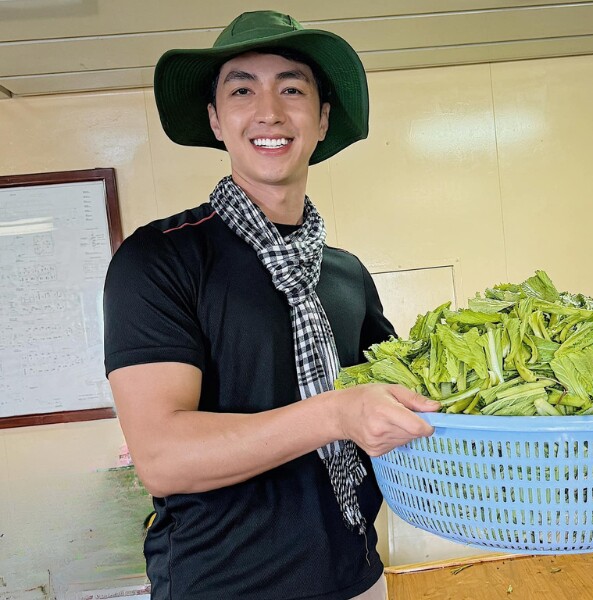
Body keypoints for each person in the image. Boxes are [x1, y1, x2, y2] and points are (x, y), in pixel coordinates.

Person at [103, 10, 439, 600]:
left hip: (357, 578)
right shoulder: (159, 259)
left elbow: (399, 405)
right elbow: (161, 457)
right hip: (223, 586)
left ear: (321, 117)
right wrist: (335, 414)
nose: (269, 111)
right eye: (241, 89)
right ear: (215, 119)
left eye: (291, 88)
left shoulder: (345, 274)